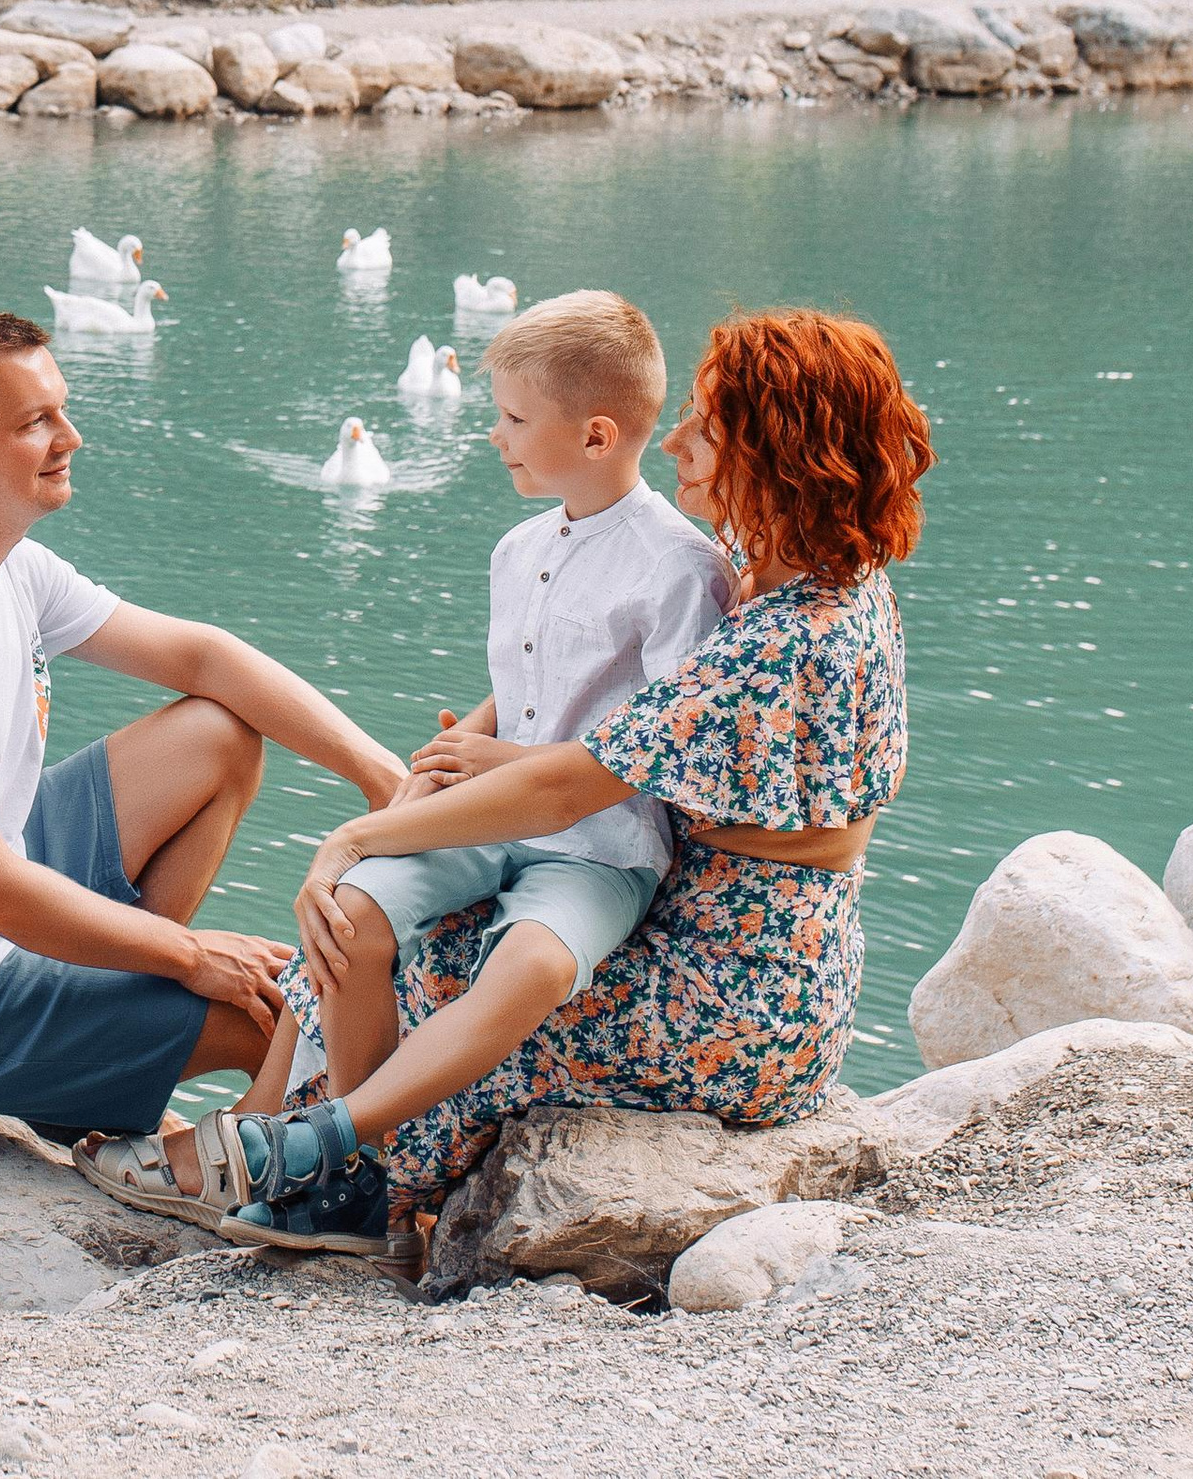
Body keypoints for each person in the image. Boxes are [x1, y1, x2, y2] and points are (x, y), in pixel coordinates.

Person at [170, 306, 931, 1258]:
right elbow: (595, 717)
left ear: (778, 453)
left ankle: (335, 1171)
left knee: (442, 967)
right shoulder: (804, 581)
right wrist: (491, 739)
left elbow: (575, 786)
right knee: (391, 923)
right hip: (746, 934)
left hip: (735, 985)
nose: (681, 440)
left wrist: (367, 830)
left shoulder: (787, 634)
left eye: (709, 425)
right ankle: (295, 1149)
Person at [78, 290, 731, 1248]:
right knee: (352, 913)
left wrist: (501, 759)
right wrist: (440, 766)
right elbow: (521, 687)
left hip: (598, 845)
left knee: (536, 962)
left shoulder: (680, 567)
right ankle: (350, 1179)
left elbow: (666, 752)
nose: (495, 435)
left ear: (596, 436)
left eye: (513, 418)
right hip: (489, 819)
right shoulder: (520, 550)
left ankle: (312, 1151)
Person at [0, 309, 406, 1161]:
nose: (70, 436)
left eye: (60, 409)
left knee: (217, 735)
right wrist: (185, 955)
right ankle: (235, 1172)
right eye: (34, 423)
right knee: (283, 1012)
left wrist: (377, 773)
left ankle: (99, 1029)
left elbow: (205, 659)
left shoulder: (5, 563)